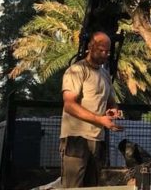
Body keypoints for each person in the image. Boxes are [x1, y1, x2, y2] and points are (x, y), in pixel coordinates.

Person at [60, 31, 123, 188]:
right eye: (101, 50)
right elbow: (69, 105)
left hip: (97, 138)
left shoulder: (105, 74)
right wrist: (100, 119)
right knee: (72, 186)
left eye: (107, 51)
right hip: (76, 138)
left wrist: (113, 111)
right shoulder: (77, 70)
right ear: (90, 47)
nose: (105, 54)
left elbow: (111, 102)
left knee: (93, 186)